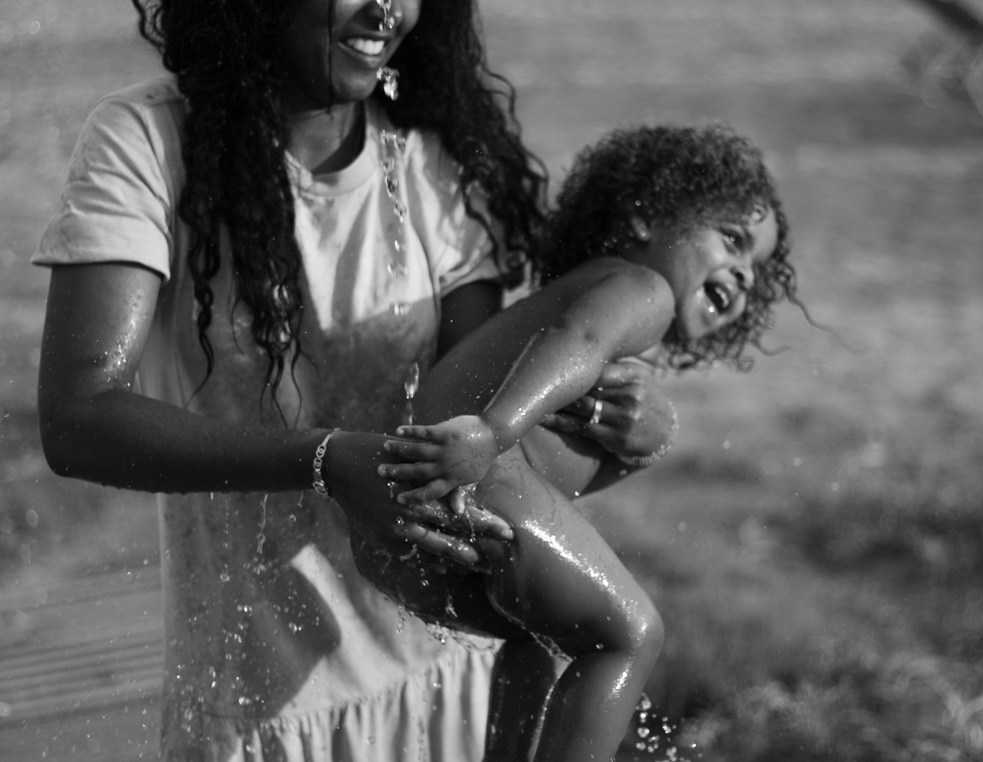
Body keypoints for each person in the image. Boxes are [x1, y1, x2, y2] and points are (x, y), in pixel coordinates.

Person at [32, 1, 677, 760]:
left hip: (452, 676)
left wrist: (626, 423)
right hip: (261, 702)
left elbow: (485, 449)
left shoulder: (436, 165)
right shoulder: (149, 141)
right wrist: (324, 460)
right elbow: (78, 417)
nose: (386, 8)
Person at [370, 123, 796, 762]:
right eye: (732, 239)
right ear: (648, 216)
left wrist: (647, 440)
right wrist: (492, 434)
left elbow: (569, 453)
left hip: (405, 522)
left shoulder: (609, 308)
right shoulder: (640, 290)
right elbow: (577, 341)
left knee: (534, 640)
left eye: (754, 270)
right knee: (632, 635)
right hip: (472, 472)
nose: (741, 274)